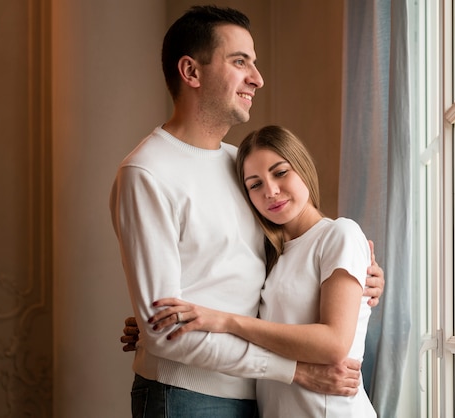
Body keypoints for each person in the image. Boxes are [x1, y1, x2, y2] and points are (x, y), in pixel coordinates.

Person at [110, 5, 384, 418]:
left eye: (254, 63)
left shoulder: (243, 165)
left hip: (262, 397)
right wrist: (293, 371)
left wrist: (357, 276)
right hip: (187, 396)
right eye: (240, 62)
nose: (257, 78)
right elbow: (165, 332)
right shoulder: (146, 172)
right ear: (192, 72)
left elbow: (272, 257)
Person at [149, 125, 377, 417]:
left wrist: (226, 322)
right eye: (255, 185)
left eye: (280, 172)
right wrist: (158, 320)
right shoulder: (272, 256)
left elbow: (333, 345)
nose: (270, 191)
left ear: (303, 167)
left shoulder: (340, 234)